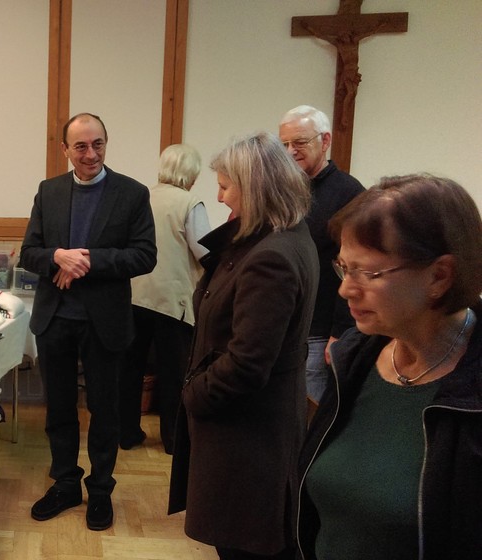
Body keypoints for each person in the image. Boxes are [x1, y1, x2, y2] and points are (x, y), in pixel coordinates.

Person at [297, 174, 482, 560]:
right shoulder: (355, 360)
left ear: (439, 276)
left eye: (367, 273)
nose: (345, 289)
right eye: (344, 268)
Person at [168, 132, 318, 560]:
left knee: (246, 546)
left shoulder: (270, 257)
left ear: (254, 188)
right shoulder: (282, 237)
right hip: (252, 429)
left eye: (225, 186)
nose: (219, 197)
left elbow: (247, 363)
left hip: (248, 439)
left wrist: (193, 393)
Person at [21, 113, 156, 531]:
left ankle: (100, 490)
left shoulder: (132, 193)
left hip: (105, 322)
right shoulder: (49, 191)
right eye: (80, 146)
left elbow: (144, 255)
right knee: (59, 409)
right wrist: (57, 257)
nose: (91, 154)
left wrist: (86, 261)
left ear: (106, 144)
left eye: (98, 144)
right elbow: (29, 253)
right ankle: (65, 483)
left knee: (105, 410)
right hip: (55, 318)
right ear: (65, 150)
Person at [122, 143, 210, 453]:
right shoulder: (190, 203)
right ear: (190, 173)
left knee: (130, 369)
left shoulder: (141, 197)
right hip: (173, 302)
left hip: (134, 296)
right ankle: (173, 440)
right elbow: (204, 251)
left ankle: (127, 434)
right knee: (174, 373)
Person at [279, 105, 365, 404]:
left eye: (299, 142)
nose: (290, 152)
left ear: (325, 140)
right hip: (288, 323)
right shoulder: (287, 190)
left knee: (310, 410)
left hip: (320, 330)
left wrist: (340, 333)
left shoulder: (349, 193)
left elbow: (352, 268)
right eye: (284, 144)